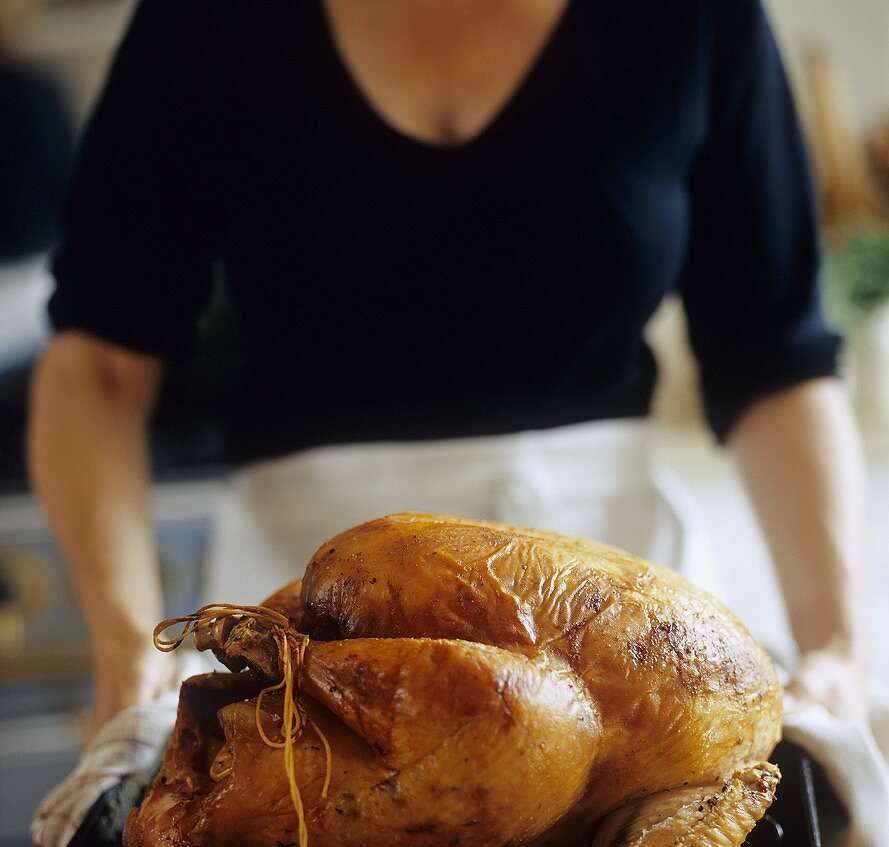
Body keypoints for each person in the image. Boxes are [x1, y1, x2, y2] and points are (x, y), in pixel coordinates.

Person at [28, 0, 870, 772]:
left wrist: (833, 646)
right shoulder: (204, 23)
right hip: (305, 615)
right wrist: (123, 643)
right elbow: (100, 366)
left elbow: (777, 362)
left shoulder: (691, 19)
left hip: (618, 627)